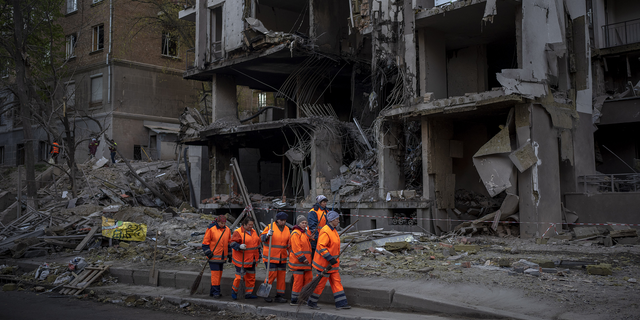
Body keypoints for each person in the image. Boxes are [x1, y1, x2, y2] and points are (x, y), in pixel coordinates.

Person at [307, 210, 351, 310]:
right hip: (324, 264)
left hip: (332, 264)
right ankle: (311, 302)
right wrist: (330, 258)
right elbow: (322, 247)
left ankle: (341, 303)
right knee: (320, 284)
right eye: (337, 219)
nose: (338, 221)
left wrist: (332, 260)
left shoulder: (333, 230)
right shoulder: (326, 231)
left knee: (337, 282)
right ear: (332, 220)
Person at [260, 211, 290, 303]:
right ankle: (265, 294)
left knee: (281, 277)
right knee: (271, 276)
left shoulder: (287, 229)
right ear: (277, 220)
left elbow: (288, 243)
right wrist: (267, 235)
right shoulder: (270, 227)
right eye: (281, 220)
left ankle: (279, 296)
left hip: (282, 257)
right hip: (271, 257)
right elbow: (261, 238)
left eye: (284, 220)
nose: (283, 222)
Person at [229, 217, 261, 300]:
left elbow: (257, 245)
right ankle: (234, 291)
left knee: (251, 277)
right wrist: (239, 246)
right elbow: (232, 243)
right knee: (239, 277)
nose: (251, 226)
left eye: (252, 225)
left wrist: (259, 256)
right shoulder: (238, 232)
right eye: (249, 225)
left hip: (252, 260)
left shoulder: (253, 232)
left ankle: (248, 293)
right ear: (244, 224)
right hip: (241, 260)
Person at [201, 214, 231, 298]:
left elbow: (228, 243)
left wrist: (230, 255)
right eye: (221, 223)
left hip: (222, 257)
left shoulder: (227, 230)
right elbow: (205, 243)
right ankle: (216, 292)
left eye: (224, 223)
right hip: (213, 256)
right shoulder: (211, 229)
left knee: (219, 275)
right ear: (217, 222)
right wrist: (208, 253)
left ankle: (213, 291)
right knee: (215, 275)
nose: (223, 225)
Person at [289, 215, 312, 306]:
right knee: (298, 282)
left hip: (305, 263)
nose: (304, 224)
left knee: (308, 279)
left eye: (305, 223)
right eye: (302, 223)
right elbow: (296, 248)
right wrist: (303, 258)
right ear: (298, 223)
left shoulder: (303, 233)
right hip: (298, 263)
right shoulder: (295, 233)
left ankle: (303, 298)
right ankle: (294, 300)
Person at [308, 195, 329, 259]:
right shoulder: (313, 211)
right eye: (323, 202)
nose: (325, 203)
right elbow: (312, 226)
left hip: (323, 235)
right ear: (319, 203)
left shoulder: (326, 211)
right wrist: (317, 237)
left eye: (325, 202)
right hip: (315, 237)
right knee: (314, 252)